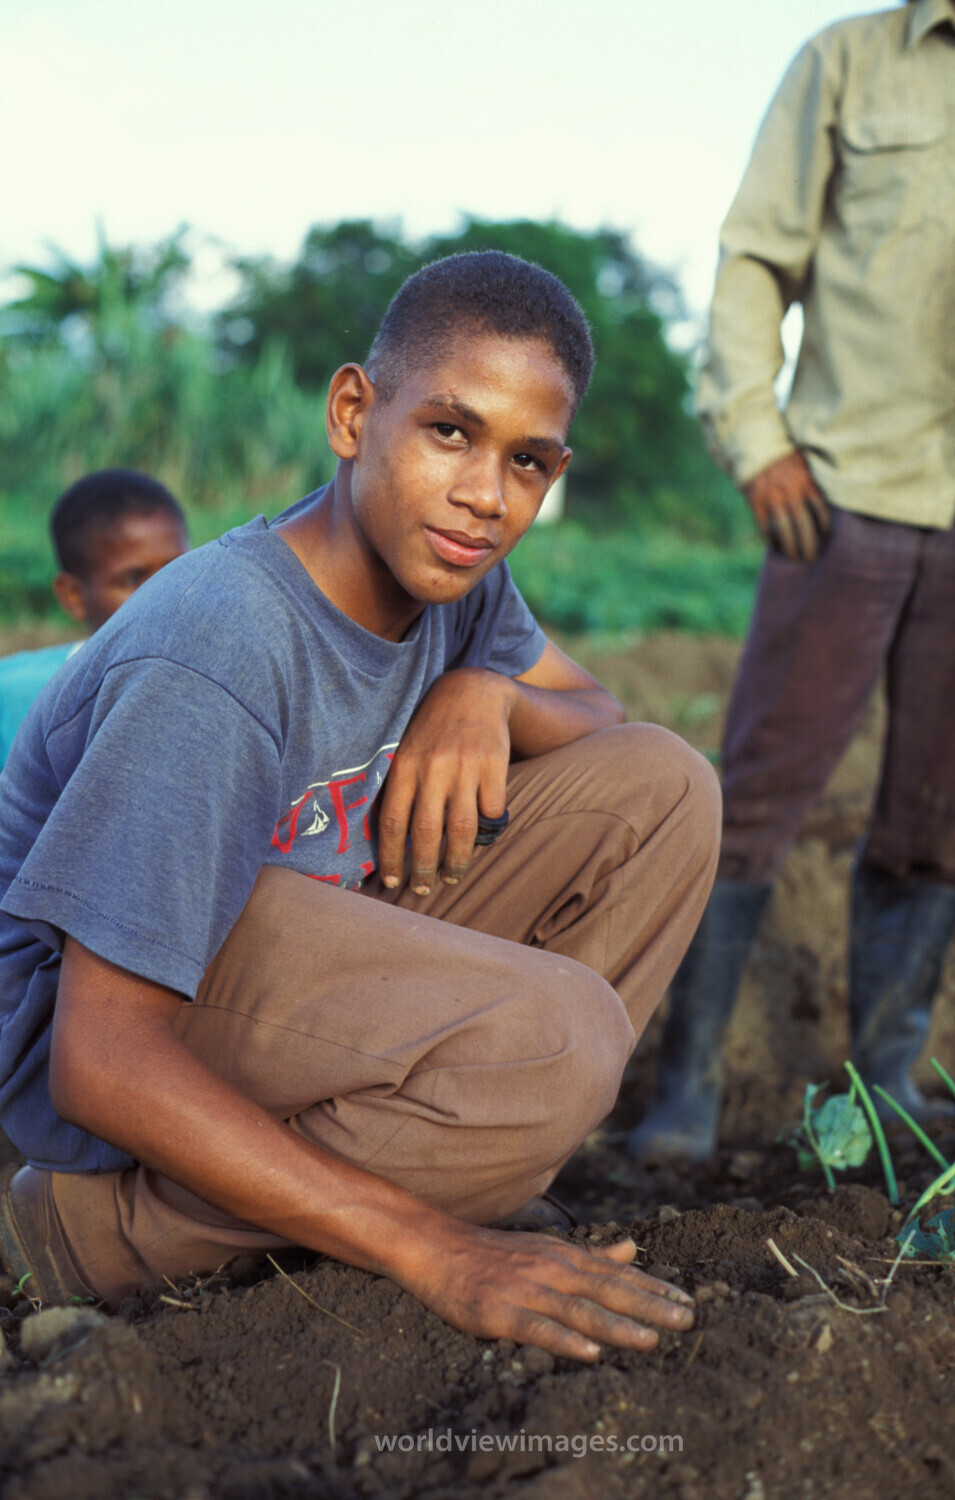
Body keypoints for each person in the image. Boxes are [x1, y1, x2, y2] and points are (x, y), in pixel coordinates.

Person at [0, 252, 720, 1361]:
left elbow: (600, 712)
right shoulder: (220, 645)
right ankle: (93, 1233)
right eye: (450, 431)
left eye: (525, 461)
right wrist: (437, 1252)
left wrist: (489, 695)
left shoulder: (459, 574)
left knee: (666, 788)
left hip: (277, 952)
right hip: (95, 1053)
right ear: (352, 414)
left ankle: (462, 1159)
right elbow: (99, 1056)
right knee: (560, 1042)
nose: (486, 495)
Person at [630, 0, 955, 1164]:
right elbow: (754, 261)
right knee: (761, 790)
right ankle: (686, 1086)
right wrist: (755, 435)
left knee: (944, 810)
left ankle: (890, 1079)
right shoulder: (848, 61)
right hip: (843, 486)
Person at [0, 470, 189, 766]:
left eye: (180, 568)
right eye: (133, 579)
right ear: (73, 596)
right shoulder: (15, 701)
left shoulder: (224, 689)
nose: (166, 592)